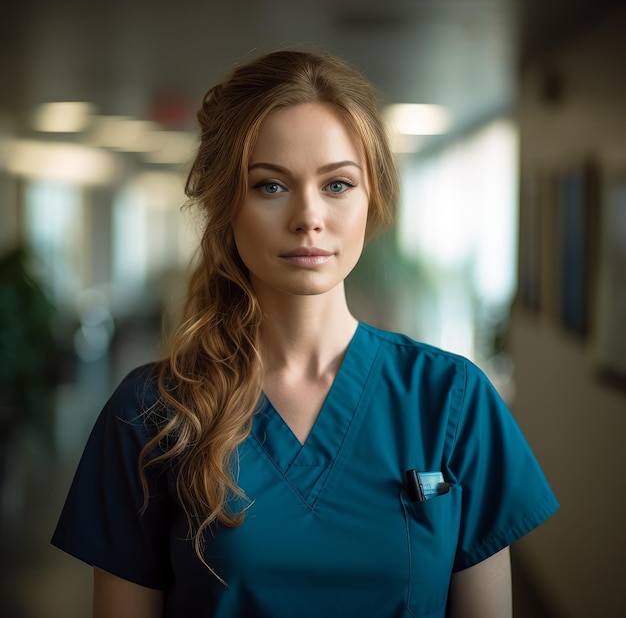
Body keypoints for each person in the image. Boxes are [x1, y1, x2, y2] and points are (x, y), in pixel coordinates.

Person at [52, 49, 558, 618]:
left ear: (373, 199)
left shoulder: (452, 401)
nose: (308, 217)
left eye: (338, 185)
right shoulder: (152, 412)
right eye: (271, 186)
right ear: (225, 204)